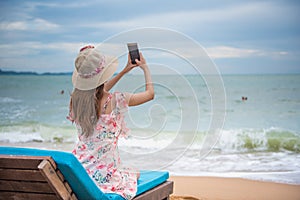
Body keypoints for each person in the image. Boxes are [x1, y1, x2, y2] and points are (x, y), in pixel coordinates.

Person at [68, 45, 154, 199]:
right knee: (135, 172)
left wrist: (124, 71)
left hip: (80, 170)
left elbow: (95, 91)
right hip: (106, 174)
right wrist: (145, 68)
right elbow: (150, 94)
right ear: (103, 74)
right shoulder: (115, 100)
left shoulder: (76, 100)